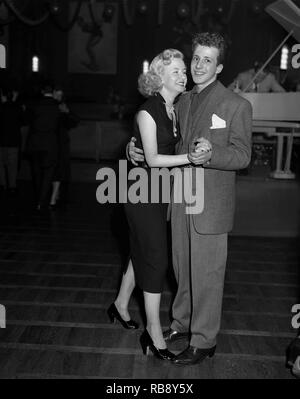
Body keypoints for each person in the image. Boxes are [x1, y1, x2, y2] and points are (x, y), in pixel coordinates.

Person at [128, 32, 253, 365]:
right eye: (195, 58)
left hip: (210, 203)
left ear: (220, 66)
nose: (198, 65)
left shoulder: (236, 104)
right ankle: (181, 325)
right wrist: (134, 148)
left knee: (208, 274)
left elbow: (242, 156)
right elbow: (158, 136)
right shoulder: (180, 100)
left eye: (207, 60)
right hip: (179, 198)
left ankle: (204, 340)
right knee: (182, 270)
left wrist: (213, 153)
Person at [108, 48, 209, 361]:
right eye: (176, 71)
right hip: (142, 194)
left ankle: (120, 305)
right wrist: (190, 159)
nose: (183, 75)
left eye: (183, 70)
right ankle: (152, 331)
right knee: (156, 259)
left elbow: (147, 146)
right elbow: (151, 159)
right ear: (158, 78)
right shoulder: (149, 110)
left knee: (142, 252)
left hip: (160, 192)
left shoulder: (173, 107)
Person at [26, 81, 60, 211]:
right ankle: (41, 201)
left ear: (42, 91)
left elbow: (26, 119)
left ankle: (38, 198)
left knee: (37, 173)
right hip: (50, 144)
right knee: (48, 174)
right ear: (52, 92)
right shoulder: (56, 106)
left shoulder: (34, 104)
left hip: (35, 144)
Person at [50, 87, 79, 208]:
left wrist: (67, 112)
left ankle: (56, 195)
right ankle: (54, 195)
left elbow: (74, 121)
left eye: (60, 94)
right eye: (56, 94)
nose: (58, 96)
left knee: (60, 170)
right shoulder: (49, 107)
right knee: (54, 170)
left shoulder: (62, 107)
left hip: (61, 144)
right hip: (52, 143)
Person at [0, 86, 25, 194]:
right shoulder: (17, 108)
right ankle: (12, 186)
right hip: (13, 140)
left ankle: (2, 185)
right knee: (12, 165)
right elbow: (23, 120)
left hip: (1, 140)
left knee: (0, 165)